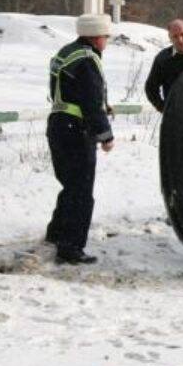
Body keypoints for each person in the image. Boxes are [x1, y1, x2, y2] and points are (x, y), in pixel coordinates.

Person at [45, 14, 114, 264]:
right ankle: (71, 247)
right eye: (106, 36)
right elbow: (90, 102)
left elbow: (71, 92)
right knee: (82, 192)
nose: (107, 41)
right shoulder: (87, 59)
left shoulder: (66, 52)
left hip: (58, 125)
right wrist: (105, 135)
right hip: (76, 130)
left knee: (71, 185)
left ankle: (55, 233)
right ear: (96, 37)